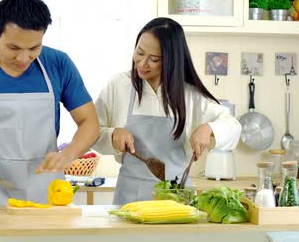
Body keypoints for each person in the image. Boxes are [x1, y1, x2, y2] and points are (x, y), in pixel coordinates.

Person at [0, 0, 99, 206]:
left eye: (34, 48)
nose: (23, 58)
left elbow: (90, 122)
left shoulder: (58, 64)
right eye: (13, 48)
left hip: (49, 192)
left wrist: (69, 154)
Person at [92, 17, 241, 205]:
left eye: (154, 59)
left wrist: (209, 128)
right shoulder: (119, 85)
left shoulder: (189, 94)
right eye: (139, 52)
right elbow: (91, 133)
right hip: (130, 197)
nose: (142, 63)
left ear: (172, 60)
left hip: (177, 198)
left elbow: (233, 126)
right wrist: (113, 134)